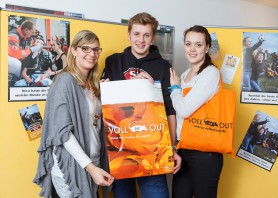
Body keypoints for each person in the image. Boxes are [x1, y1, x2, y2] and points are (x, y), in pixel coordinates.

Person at [101, 12, 181, 198]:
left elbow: (170, 110)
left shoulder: (163, 67)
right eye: (136, 34)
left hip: (152, 149)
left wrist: (173, 148)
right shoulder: (113, 61)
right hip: (119, 149)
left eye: (146, 35)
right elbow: (105, 101)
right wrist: (135, 84)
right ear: (129, 34)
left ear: (153, 37)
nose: (141, 40)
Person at [33, 30, 114, 198]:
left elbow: (94, 122)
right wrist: (90, 168)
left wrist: (104, 93)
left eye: (96, 49)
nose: (92, 54)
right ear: (74, 51)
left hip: (93, 163)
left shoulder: (90, 85)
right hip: (73, 168)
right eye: (85, 48)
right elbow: (62, 134)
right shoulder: (63, 81)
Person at [169, 25, 223, 198]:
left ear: (207, 47)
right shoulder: (184, 74)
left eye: (198, 45)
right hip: (183, 149)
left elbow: (183, 110)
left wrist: (175, 88)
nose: (192, 49)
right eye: (188, 44)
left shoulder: (210, 73)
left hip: (205, 154)